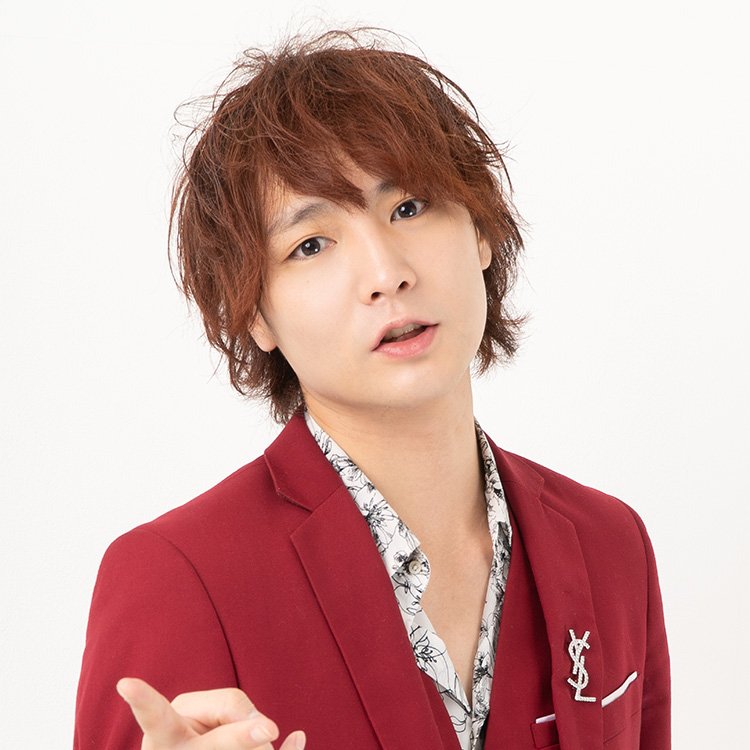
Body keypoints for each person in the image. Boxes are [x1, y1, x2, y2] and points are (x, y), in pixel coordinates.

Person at [73, 28, 670, 750]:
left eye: (409, 207)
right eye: (311, 245)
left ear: (480, 229)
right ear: (254, 313)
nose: (386, 273)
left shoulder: (610, 544)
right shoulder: (179, 578)